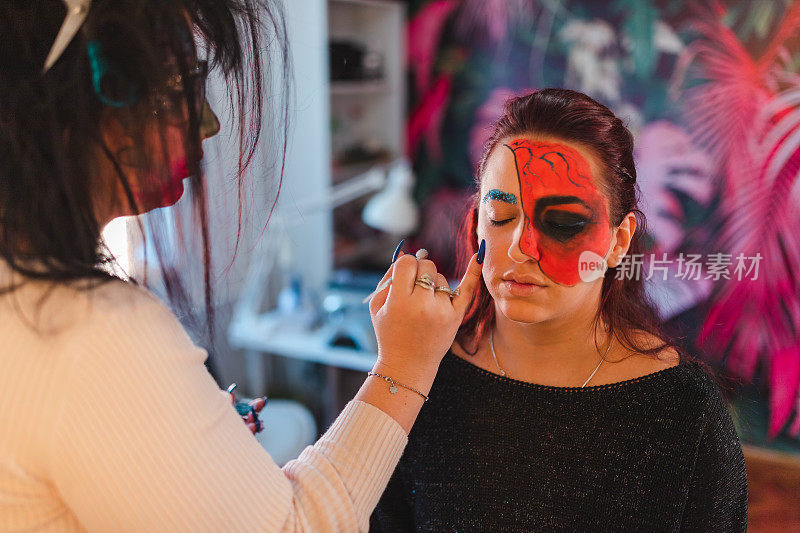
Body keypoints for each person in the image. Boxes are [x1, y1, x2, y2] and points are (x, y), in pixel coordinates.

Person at [0, 1, 482, 531]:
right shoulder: (82, 331)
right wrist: (405, 365)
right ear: (71, 105)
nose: (209, 123)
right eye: (179, 86)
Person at [370, 88, 749, 532]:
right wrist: (396, 371)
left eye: (564, 223)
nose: (520, 248)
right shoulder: (421, 373)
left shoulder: (684, 409)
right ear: (477, 223)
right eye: (500, 216)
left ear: (619, 242)